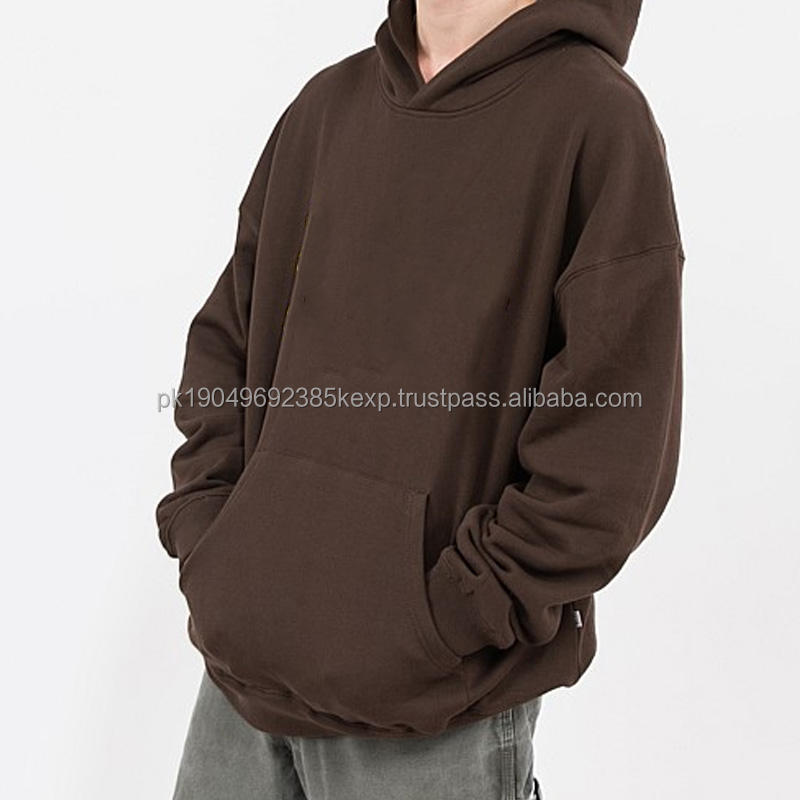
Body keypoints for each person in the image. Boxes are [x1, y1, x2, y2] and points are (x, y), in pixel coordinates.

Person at [156, 0, 684, 797]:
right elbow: (224, 343)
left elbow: (611, 447)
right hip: (242, 686)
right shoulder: (326, 107)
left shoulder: (596, 122)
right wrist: (214, 542)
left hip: (435, 712)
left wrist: (448, 616)